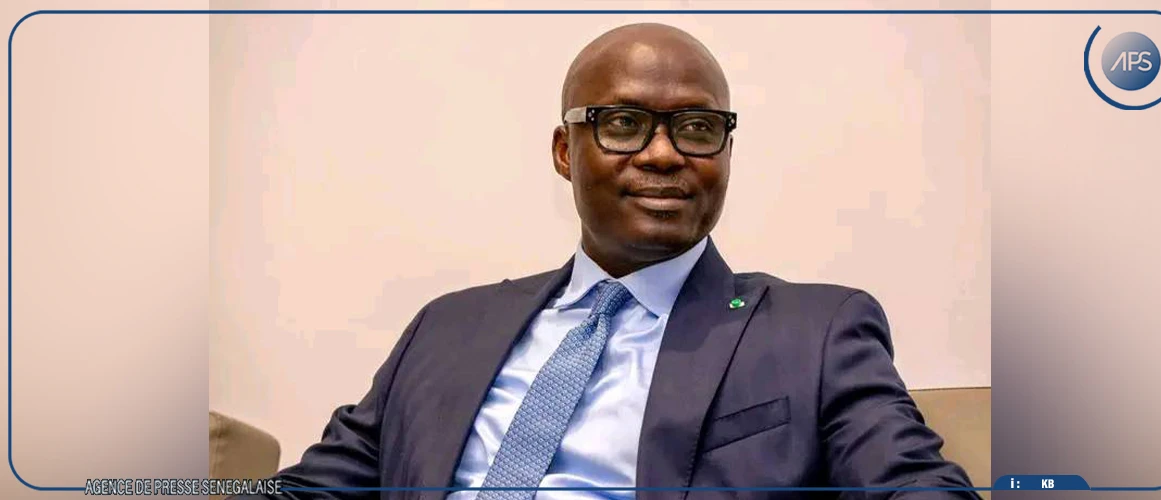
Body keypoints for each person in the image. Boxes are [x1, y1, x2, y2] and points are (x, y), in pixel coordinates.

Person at [236, 23, 981, 500]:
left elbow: (916, 486)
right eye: (623, 123)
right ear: (566, 152)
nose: (663, 154)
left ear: (725, 152)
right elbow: (311, 490)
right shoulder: (448, 327)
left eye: (697, 127)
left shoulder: (814, 330)